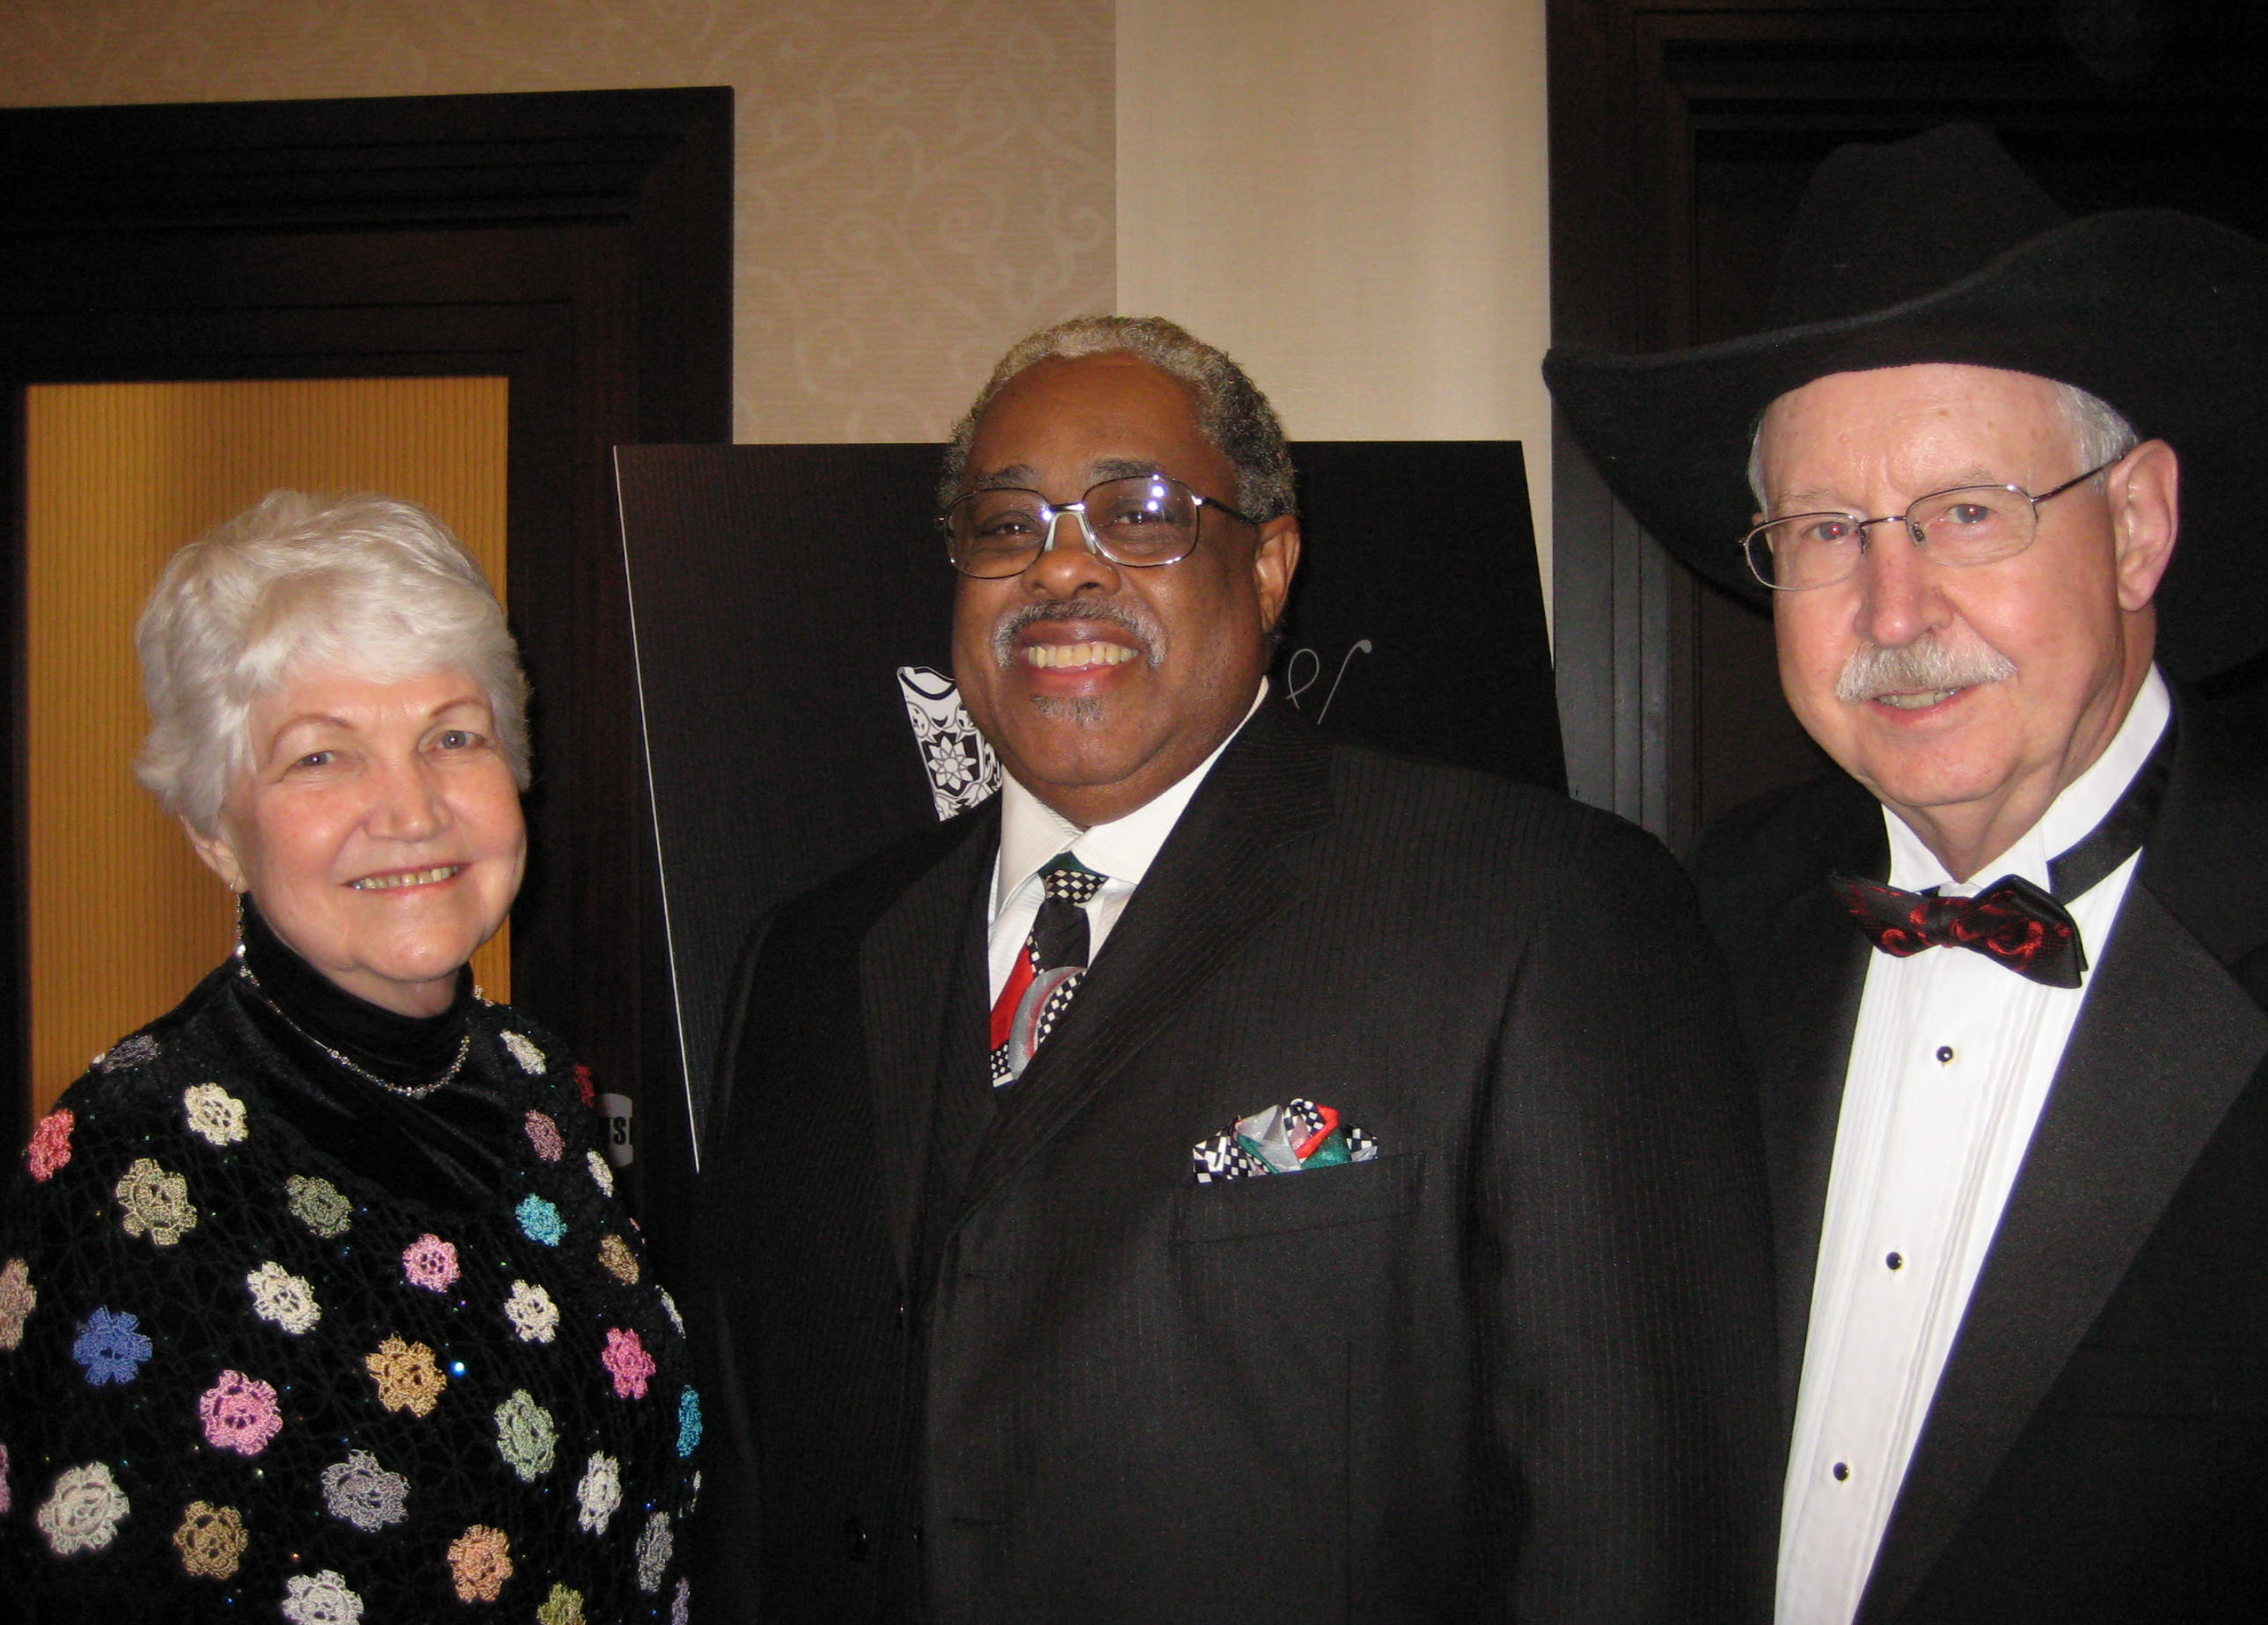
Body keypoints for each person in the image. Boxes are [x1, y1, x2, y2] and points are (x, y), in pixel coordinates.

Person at [697, 315, 1776, 1622]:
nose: (1061, 574)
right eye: (1006, 525)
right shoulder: (807, 960)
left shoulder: (1533, 911)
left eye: (1139, 515)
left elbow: (1628, 1533)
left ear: (1268, 564)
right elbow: (759, 1495)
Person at [1544, 123, 2268, 1622]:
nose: (1892, 606)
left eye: (1963, 512)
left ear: (2135, 524)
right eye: (1825, 530)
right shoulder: (1697, 917)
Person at [0, 493, 700, 1621]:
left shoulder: (537, 1081)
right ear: (214, 830)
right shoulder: (124, 1160)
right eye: (322, 756)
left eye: (452, 736)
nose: (411, 808)